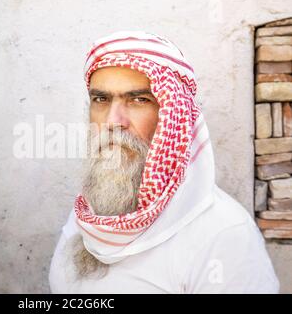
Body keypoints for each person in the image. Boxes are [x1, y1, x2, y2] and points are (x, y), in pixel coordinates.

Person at [49, 31, 279, 293]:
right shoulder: (88, 208)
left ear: (174, 116)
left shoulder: (225, 235)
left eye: (138, 100)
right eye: (101, 99)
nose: (113, 121)